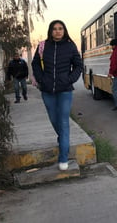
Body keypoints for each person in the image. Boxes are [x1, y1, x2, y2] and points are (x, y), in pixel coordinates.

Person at [31, 20, 83, 171]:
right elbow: (35, 64)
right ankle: (63, 140)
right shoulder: (43, 46)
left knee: (64, 121)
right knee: (54, 121)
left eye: (60, 29)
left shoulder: (70, 46)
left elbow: (78, 65)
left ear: (64, 30)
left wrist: (69, 79)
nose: (58, 31)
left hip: (65, 90)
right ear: (50, 31)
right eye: (54, 29)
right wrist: (41, 80)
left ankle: (63, 156)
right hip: (47, 91)